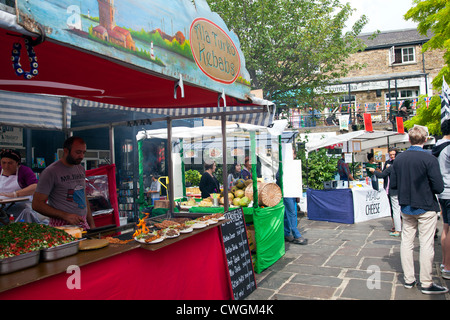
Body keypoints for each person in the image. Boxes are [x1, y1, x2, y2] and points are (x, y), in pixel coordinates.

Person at [390, 126, 448, 294]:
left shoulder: (399, 159)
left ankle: (409, 279)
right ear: (425, 139)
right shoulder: (429, 159)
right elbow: (438, 187)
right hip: (425, 205)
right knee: (426, 244)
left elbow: (393, 184)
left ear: (409, 140)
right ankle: (426, 282)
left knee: (406, 242)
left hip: (406, 206)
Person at [32, 137, 95, 230]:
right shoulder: (50, 172)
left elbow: (83, 196)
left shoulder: (80, 168)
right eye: (78, 152)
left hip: (82, 223)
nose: (81, 156)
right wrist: (65, 216)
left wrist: (92, 224)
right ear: (66, 151)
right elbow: (36, 204)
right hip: (61, 226)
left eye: (83, 152)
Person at [0, 149, 46, 223]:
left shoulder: (24, 171)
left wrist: (15, 194)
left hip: (21, 208)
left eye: (10, 163)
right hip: (2, 207)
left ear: (17, 163)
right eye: (3, 163)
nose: (6, 166)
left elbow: (35, 186)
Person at [432, 119, 450, 279]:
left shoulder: (437, 147)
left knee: (446, 228)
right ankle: (447, 266)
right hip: (449, 191)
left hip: (442, 192)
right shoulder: (448, 148)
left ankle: (445, 263)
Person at [368, 151, 401, 237]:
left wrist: (374, 171)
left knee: (396, 210)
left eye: (394, 155)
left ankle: (397, 229)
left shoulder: (391, 167)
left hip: (393, 190)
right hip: (396, 189)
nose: (392, 156)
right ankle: (397, 226)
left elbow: (382, 174)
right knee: (396, 209)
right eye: (390, 155)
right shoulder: (400, 166)